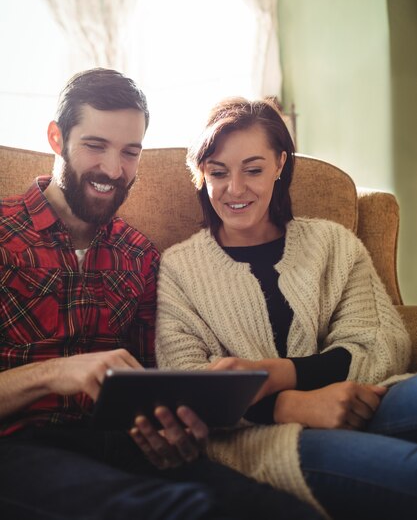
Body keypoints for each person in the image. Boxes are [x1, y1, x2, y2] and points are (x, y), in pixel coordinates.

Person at [0, 71, 320, 520]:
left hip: (121, 446)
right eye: (96, 146)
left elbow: (156, 379)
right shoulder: (4, 233)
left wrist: (170, 429)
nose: (113, 170)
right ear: (57, 138)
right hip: (16, 449)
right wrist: (53, 374)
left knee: (281, 509)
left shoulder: (140, 255)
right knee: (184, 510)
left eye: (129, 152)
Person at [156, 96, 417, 520]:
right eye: (218, 172)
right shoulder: (179, 269)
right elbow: (186, 388)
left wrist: (284, 374)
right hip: (259, 440)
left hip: (370, 399)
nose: (235, 189)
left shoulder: (332, 244)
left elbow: (381, 342)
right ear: (201, 175)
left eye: (253, 169)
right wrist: (290, 405)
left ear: (280, 163)